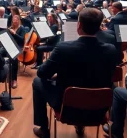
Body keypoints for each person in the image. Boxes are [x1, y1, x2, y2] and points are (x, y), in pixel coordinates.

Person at [32, 8, 117, 138]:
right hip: (98, 110)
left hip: (66, 109)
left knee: (37, 81)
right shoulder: (110, 50)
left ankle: (43, 128)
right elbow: (109, 75)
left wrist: (57, 75)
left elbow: (42, 73)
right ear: (99, 27)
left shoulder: (63, 48)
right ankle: (80, 125)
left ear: (78, 26)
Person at [8, 14, 25, 89]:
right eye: (13, 20)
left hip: (18, 47)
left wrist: (14, 33)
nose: (14, 21)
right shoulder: (10, 28)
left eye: (16, 20)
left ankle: (14, 79)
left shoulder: (22, 28)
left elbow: (22, 40)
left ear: (18, 20)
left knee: (14, 59)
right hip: (10, 46)